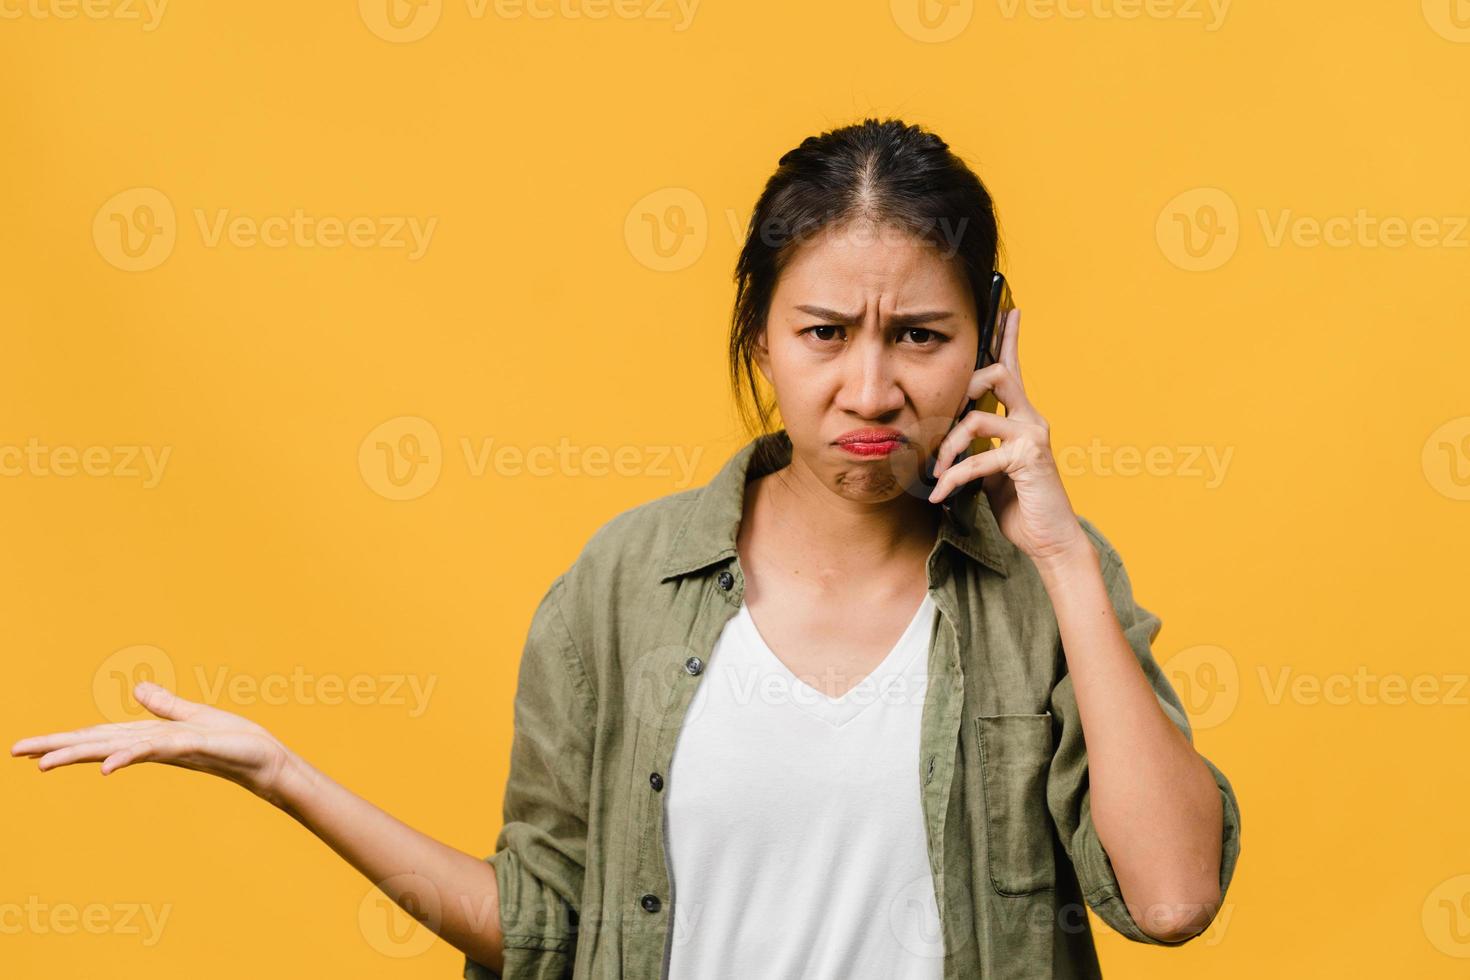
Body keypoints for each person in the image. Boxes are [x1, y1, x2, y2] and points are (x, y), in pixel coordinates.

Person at [10, 117, 1241, 979]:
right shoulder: (625, 585)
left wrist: (1066, 559)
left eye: (919, 335)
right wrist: (283, 772)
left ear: (989, 339)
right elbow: (542, 924)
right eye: (824, 331)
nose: (870, 387)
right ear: (761, 336)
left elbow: (1173, 898)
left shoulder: (1047, 578)